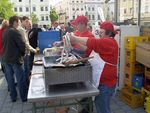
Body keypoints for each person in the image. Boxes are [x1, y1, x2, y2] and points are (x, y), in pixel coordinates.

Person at [69, 21, 118, 113]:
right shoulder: (104, 43)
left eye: (101, 32)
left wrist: (75, 38)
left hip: (106, 84)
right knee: (100, 107)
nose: (99, 35)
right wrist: (74, 42)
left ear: (109, 33)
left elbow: (93, 42)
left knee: (103, 109)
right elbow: (88, 49)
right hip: (100, 83)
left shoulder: (110, 42)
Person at [2, 16, 28, 102]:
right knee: (20, 79)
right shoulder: (15, 32)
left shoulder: (5, 32)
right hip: (15, 59)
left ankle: (13, 97)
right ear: (15, 22)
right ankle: (24, 97)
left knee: (10, 80)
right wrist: (23, 55)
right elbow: (22, 45)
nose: (19, 23)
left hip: (6, 59)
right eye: (18, 22)